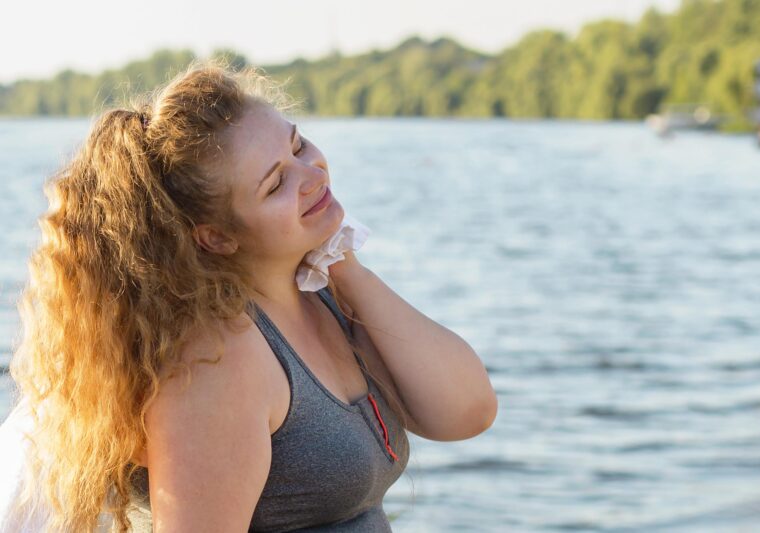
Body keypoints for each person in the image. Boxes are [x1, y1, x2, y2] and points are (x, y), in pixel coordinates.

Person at [2, 59, 498, 532]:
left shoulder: (318, 291)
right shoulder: (219, 360)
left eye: (298, 146)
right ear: (216, 237)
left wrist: (348, 270)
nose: (313, 175)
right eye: (277, 182)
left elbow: (466, 411)